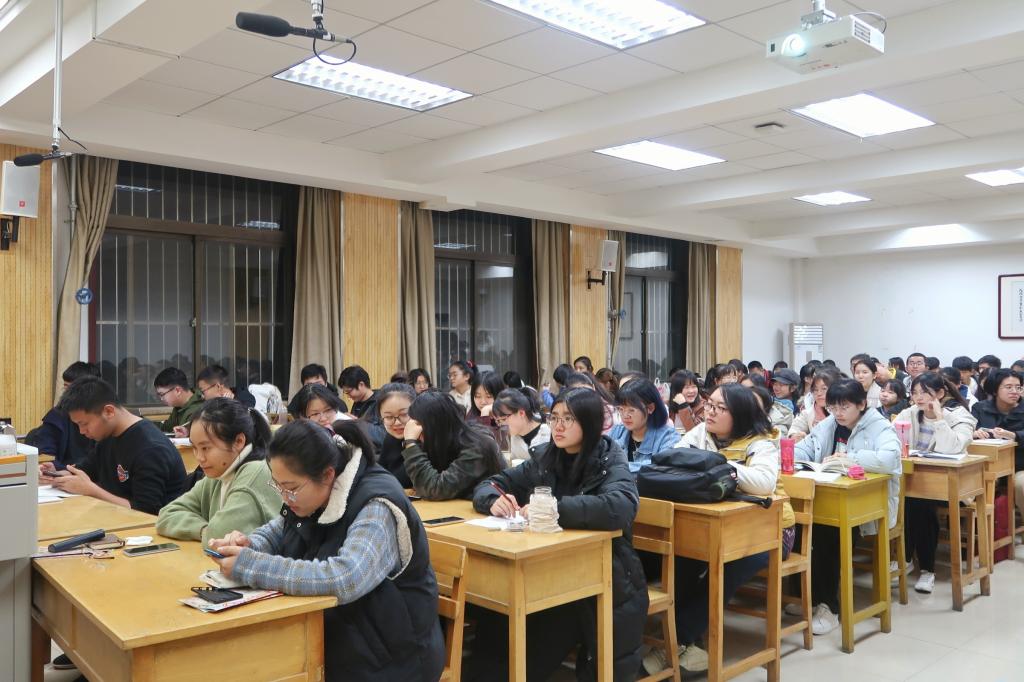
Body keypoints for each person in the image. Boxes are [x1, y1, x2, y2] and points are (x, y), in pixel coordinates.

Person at [208, 419, 445, 682]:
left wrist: (252, 566)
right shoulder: (310, 496)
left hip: (391, 660)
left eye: (291, 488)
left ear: (328, 475)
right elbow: (280, 530)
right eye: (278, 486)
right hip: (336, 642)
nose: (284, 497)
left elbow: (345, 578)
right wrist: (248, 545)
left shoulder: (377, 505)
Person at [472, 388, 647, 681]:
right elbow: (492, 482)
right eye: (554, 418)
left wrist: (551, 508)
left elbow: (620, 507)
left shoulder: (608, 459)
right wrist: (493, 500)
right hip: (544, 563)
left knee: (546, 632)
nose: (558, 426)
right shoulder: (546, 457)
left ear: (589, 422)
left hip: (604, 569)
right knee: (495, 611)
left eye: (569, 419)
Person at [655, 383, 796, 674]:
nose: (710, 412)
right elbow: (675, 459)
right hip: (716, 524)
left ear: (740, 414)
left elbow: (763, 483)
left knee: (727, 566)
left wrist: (714, 463)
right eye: (710, 405)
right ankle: (685, 643)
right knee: (683, 558)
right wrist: (709, 464)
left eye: (720, 408)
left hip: (770, 531)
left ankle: (676, 640)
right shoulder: (701, 433)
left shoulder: (761, 442)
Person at [794, 379, 901, 634]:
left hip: (865, 505)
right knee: (796, 526)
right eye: (833, 407)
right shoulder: (830, 424)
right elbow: (805, 448)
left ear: (861, 405)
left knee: (827, 535)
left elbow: (889, 459)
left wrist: (850, 458)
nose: (838, 413)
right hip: (827, 496)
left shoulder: (879, 426)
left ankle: (828, 607)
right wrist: (791, 455)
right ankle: (808, 597)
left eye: (844, 407)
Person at [41, 376, 186, 515]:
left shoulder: (151, 449)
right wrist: (55, 474)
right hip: (114, 518)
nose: (82, 431)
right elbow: (85, 470)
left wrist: (92, 491)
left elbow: (146, 511)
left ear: (109, 411)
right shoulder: (108, 435)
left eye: (84, 424)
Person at [895, 371, 976, 594]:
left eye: (925, 392)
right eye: (914, 393)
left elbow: (951, 448)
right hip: (912, 483)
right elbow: (892, 440)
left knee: (919, 501)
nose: (918, 397)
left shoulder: (959, 416)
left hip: (952, 486)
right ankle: (906, 559)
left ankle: (926, 569)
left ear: (940, 393)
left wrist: (939, 419)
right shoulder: (909, 413)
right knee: (910, 498)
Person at [156, 398, 280, 543]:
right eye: (194, 448)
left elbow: (220, 535)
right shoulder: (219, 473)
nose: (199, 457)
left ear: (238, 441)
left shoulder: (255, 472)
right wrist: (204, 530)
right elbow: (166, 514)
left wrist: (209, 532)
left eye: (205, 448)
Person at [400, 390, 502, 500]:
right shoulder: (443, 441)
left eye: (419, 426)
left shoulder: (477, 445)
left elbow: (435, 489)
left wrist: (411, 444)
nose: (417, 433)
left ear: (435, 426)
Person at [25, 361, 100, 470]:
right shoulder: (57, 416)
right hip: (62, 473)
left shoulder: (102, 418)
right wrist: (65, 471)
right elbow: (46, 456)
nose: (68, 394)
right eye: (66, 388)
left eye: (73, 389)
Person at [972, 368, 1024, 517]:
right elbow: (966, 430)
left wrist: (1014, 435)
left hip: (1019, 466)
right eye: (1008, 387)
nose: (1014, 391)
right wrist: (973, 434)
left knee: (1021, 484)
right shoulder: (980, 408)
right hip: (987, 465)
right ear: (995, 389)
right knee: (970, 481)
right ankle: (981, 525)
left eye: (1018, 387)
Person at [608, 378, 677, 472]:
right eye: (621, 409)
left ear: (650, 408)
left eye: (631, 410)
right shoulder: (616, 431)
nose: (625, 415)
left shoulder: (668, 437)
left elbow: (662, 467)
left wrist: (617, 468)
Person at [492, 387, 550, 462]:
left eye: (503, 419)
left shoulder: (548, 435)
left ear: (521, 413)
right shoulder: (509, 438)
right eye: (498, 421)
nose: (501, 426)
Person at [376, 382, 416, 487]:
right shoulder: (390, 439)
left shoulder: (427, 440)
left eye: (404, 414)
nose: (397, 422)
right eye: (389, 417)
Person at [789, 367, 842, 441]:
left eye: (824, 389)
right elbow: (795, 428)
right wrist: (795, 435)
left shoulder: (843, 411)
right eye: (815, 390)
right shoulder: (808, 412)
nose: (819, 393)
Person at [338, 365, 385, 448]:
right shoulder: (357, 402)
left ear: (361, 385)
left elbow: (383, 435)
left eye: (349, 392)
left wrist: (356, 423)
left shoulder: (382, 402)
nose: (348, 396)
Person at [153, 367, 204, 433]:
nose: (161, 398)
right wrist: (143, 422)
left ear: (177, 390)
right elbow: (166, 428)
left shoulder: (198, 410)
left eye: (162, 394)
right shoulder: (179, 406)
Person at [466, 370, 506, 436]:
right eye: (478, 396)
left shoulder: (507, 416)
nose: (483, 402)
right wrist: (485, 415)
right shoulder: (471, 415)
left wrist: (485, 413)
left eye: (488, 396)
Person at [667, 369, 704, 434]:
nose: (691, 391)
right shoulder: (668, 406)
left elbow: (694, 433)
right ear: (677, 390)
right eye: (687, 387)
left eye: (694, 387)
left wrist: (683, 406)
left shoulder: (703, 407)